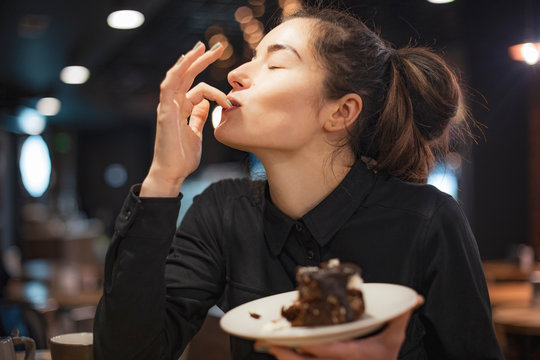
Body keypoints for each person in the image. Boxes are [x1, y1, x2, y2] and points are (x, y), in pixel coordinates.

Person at [93, 6, 503, 360]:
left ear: (341, 112)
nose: (235, 74)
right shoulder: (222, 212)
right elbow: (128, 352)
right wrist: (163, 177)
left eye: (274, 64)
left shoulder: (427, 221)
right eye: (252, 59)